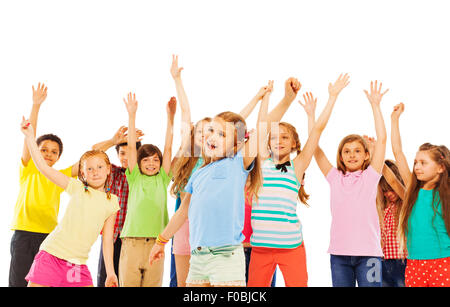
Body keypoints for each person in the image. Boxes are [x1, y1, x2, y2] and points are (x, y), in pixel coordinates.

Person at [148, 83, 271, 286]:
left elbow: (264, 126)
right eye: (212, 131)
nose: (213, 136)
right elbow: (182, 211)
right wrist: (160, 241)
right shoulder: (198, 174)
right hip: (198, 258)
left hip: (226, 258)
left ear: (235, 145)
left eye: (222, 134)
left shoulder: (236, 163)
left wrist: (264, 99)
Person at [248, 74, 350, 287]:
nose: (278, 141)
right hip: (260, 248)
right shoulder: (261, 163)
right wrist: (269, 97)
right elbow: (262, 125)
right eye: (274, 137)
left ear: (294, 143)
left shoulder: (297, 166)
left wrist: (332, 97)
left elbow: (317, 130)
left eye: (284, 137)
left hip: (291, 246)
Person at [20, 118, 119, 287]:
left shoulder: (112, 202)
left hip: (76, 265)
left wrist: (111, 272)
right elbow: (44, 168)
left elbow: (108, 239)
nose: (95, 172)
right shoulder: (77, 187)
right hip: (51, 255)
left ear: (109, 169)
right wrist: (30, 137)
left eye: (100, 167)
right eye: (89, 169)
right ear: (83, 173)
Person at [312, 80, 388, 287]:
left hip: (370, 256)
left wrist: (375, 105)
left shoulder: (371, 176)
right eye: (347, 151)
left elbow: (382, 140)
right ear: (341, 156)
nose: (352, 155)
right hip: (339, 256)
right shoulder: (334, 177)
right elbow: (315, 149)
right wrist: (327, 102)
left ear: (366, 155)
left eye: (357, 150)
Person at [9, 83, 78, 287]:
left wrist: (111, 142)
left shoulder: (60, 175)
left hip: (48, 237)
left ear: (58, 157)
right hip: (23, 234)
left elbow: (84, 162)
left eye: (54, 152)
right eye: (44, 150)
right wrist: (36, 105)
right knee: (18, 282)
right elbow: (29, 138)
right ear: (36, 150)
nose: (48, 154)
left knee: (43, 283)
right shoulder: (29, 168)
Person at [118, 93, 176, 287]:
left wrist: (170, 118)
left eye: (155, 160)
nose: (151, 163)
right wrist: (132, 115)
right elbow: (133, 149)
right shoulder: (134, 177)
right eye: (146, 160)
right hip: (132, 243)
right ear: (139, 163)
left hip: (156, 243)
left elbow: (168, 148)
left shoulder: (162, 179)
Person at [393, 103, 450, 287]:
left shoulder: (446, 195)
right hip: (414, 264)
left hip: (442, 263)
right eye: (415, 162)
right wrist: (395, 120)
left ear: (441, 167)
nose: (416, 167)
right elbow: (398, 152)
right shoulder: (412, 190)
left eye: (423, 163)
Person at [91, 126, 143, 287]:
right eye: (122, 153)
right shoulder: (111, 172)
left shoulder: (142, 176)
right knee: (106, 280)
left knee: (128, 281)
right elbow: (94, 152)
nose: (125, 157)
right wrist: (115, 140)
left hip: (132, 239)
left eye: (130, 153)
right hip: (111, 237)